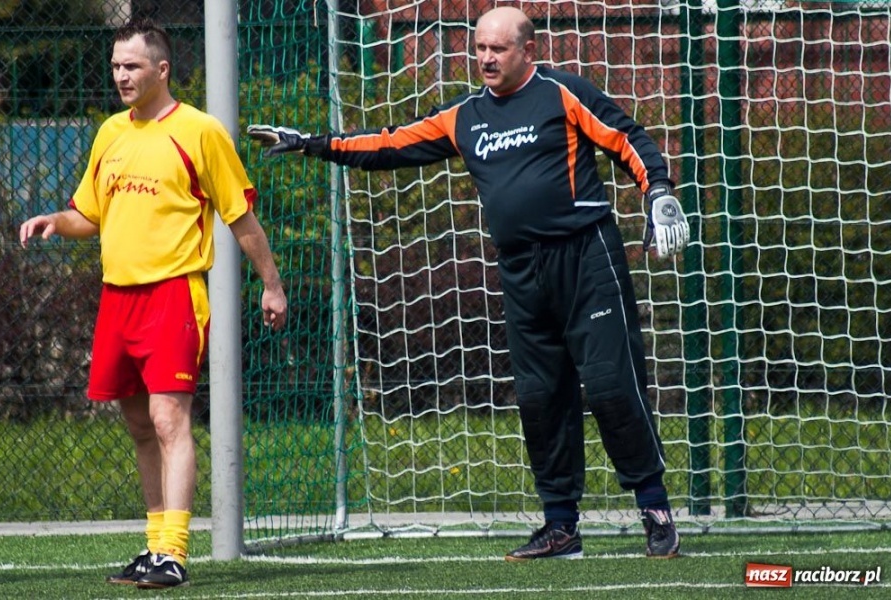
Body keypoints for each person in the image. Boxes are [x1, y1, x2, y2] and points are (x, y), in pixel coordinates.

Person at [247, 6, 688, 560]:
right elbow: (388, 144)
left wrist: (661, 193)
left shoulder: (562, 93)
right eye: (478, 48)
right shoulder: (465, 115)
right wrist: (315, 142)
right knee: (539, 396)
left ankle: (656, 514)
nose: (484, 58)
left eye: (497, 49)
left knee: (610, 387)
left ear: (528, 51)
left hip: (587, 259)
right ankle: (561, 527)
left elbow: (628, 138)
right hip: (521, 271)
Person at [19, 18, 287, 588]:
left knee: (170, 419)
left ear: (161, 69)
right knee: (140, 425)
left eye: (132, 65)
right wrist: (53, 221)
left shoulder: (201, 132)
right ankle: (152, 546)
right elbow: (88, 216)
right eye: (116, 65)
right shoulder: (111, 133)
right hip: (117, 299)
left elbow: (240, 217)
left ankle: (174, 553)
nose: (120, 75)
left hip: (174, 294)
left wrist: (271, 284)